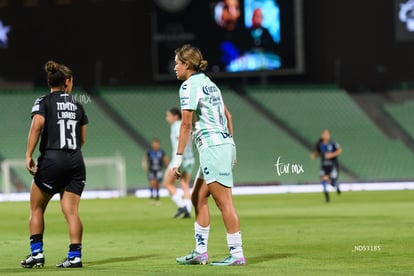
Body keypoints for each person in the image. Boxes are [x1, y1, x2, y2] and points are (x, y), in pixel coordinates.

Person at [171, 44, 246, 266]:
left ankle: (237, 253)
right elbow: (228, 116)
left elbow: (185, 124)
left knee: (224, 203)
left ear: (186, 64)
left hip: (213, 148)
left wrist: (178, 158)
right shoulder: (210, 84)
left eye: (177, 63)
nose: (174, 67)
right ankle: (200, 252)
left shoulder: (188, 86)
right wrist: (231, 147)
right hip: (220, 146)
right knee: (198, 197)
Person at [21, 60, 88, 269]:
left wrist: (28, 154)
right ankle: (75, 256)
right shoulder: (78, 104)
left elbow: (37, 126)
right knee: (71, 211)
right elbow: (82, 138)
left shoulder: (44, 101)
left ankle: (37, 254)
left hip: (52, 159)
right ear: (68, 82)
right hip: (76, 160)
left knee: (37, 208)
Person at [163, 108, 194, 218]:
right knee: (184, 184)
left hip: (180, 159)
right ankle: (188, 210)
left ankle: (182, 206)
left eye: (168, 116)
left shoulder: (177, 125)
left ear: (175, 116)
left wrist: (178, 161)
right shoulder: (186, 125)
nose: (167, 119)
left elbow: (180, 140)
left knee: (167, 183)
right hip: (190, 159)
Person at [311, 129, 342, 203]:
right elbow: (318, 152)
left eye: (327, 134)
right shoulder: (319, 144)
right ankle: (327, 198)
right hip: (324, 166)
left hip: (333, 165)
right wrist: (314, 155)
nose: (325, 135)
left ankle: (336, 186)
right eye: (324, 134)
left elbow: (339, 150)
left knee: (332, 182)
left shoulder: (333, 143)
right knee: (324, 179)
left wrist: (332, 155)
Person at [142, 138, 169, 204]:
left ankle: (157, 197)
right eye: (154, 143)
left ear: (158, 144)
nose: (155, 145)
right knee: (152, 182)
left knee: (157, 183)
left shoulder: (161, 152)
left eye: (156, 143)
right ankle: (151, 197)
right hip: (151, 170)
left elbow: (165, 159)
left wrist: (168, 166)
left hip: (159, 170)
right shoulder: (149, 152)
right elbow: (145, 159)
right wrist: (145, 166)